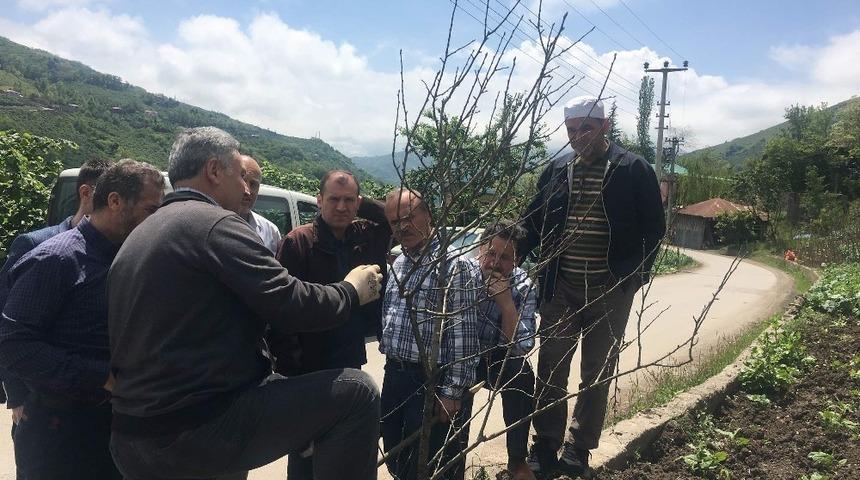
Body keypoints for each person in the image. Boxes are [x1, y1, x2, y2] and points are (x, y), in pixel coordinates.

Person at [107, 126, 383, 480]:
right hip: (195, 428)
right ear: (213, 170)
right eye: (241, 176)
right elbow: (291, 303)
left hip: (134, 434)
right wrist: (351, 289)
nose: (247, 189)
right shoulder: (214, 224)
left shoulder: (141, 235)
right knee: (357, 393)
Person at [520, 96, 665, 477]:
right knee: (551, 367)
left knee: (596, 372)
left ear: (604, 127)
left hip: (609, 289)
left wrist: (633, 278)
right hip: (561, 288)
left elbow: (654, 228)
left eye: (586, 128)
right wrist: (505, 257)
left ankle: (579, 448)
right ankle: (546, 444)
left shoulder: (632, 168)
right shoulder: (557, 170)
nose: (578, 136)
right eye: (571, 130)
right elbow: (531, 223)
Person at [0, 159, 165, 479]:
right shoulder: (56, 259)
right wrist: (100, 376)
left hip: (113, 428)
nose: (157, 221)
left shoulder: (126, 259)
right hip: (60, 434)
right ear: (115, 201)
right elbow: (13, 343)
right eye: (150, 210)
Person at [274, 169, 391, 479]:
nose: (341, 207)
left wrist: (362, 204)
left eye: (349, 200)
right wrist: (290, 374)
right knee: (305, 454)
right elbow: (281, 314)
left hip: (349, 358)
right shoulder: (299, 242)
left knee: (344, 448)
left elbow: (391, 218)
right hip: (307, 367)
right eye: (334, 199)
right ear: (319, 200)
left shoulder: (364, 235)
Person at [1, 159, 112, 433]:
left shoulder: (111, 251)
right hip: (41, 404)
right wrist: (17, 395)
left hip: (95, 405)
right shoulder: (36, 244)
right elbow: (8, 323)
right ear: (86, 193)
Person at [379, 188, 480, 480]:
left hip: (430, 381)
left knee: (430, 464)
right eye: (395, 222)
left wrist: (452, 392)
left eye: (409, 217)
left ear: (429, 214)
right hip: (395, 375)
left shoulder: (454, 264)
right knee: (397, 457)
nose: (402, 227)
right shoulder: (400, 262)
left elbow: (463, 332)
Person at [462, 221, 538, 480]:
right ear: (480, 250)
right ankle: (451, 464)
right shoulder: (463, 275)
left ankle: (517, 461)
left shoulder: (523, 285)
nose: (494, 263)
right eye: (491, 253)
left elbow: (522, 346)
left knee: (522, 375)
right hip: (462, 355)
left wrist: (506, 305)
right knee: (454, 385)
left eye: (504, 258)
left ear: (517, 260)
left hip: (498, 356)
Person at [237, 154, 282, 253]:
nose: (247, 191)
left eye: (253, 185)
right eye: (242, 181)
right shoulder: (210, 226)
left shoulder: (271, 232)